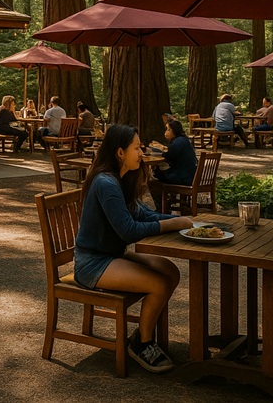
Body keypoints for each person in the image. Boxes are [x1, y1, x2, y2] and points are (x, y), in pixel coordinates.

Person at [74, 124, 194, 373]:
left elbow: (145, 214)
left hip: (112, 255)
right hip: (92, 263)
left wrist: (181, 223)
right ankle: (142, 343)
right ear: (120, 152)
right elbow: (128, 230)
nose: (142, 152)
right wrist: (172, 222)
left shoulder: (121, 179)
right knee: (158, 283)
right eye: (137, 148)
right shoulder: (105, 183)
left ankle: (143, 331)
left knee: (170, 271)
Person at [147, 120, 198, 211]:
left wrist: (154, 151)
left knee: (152, 182)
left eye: (168, 130)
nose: (165, 132)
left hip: (183, 177)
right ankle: (168, 204)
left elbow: (168, 155)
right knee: (160, 173)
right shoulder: (183, 140)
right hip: (189, 175)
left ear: (175, 131)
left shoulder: (178, 142)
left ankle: (162, 208)